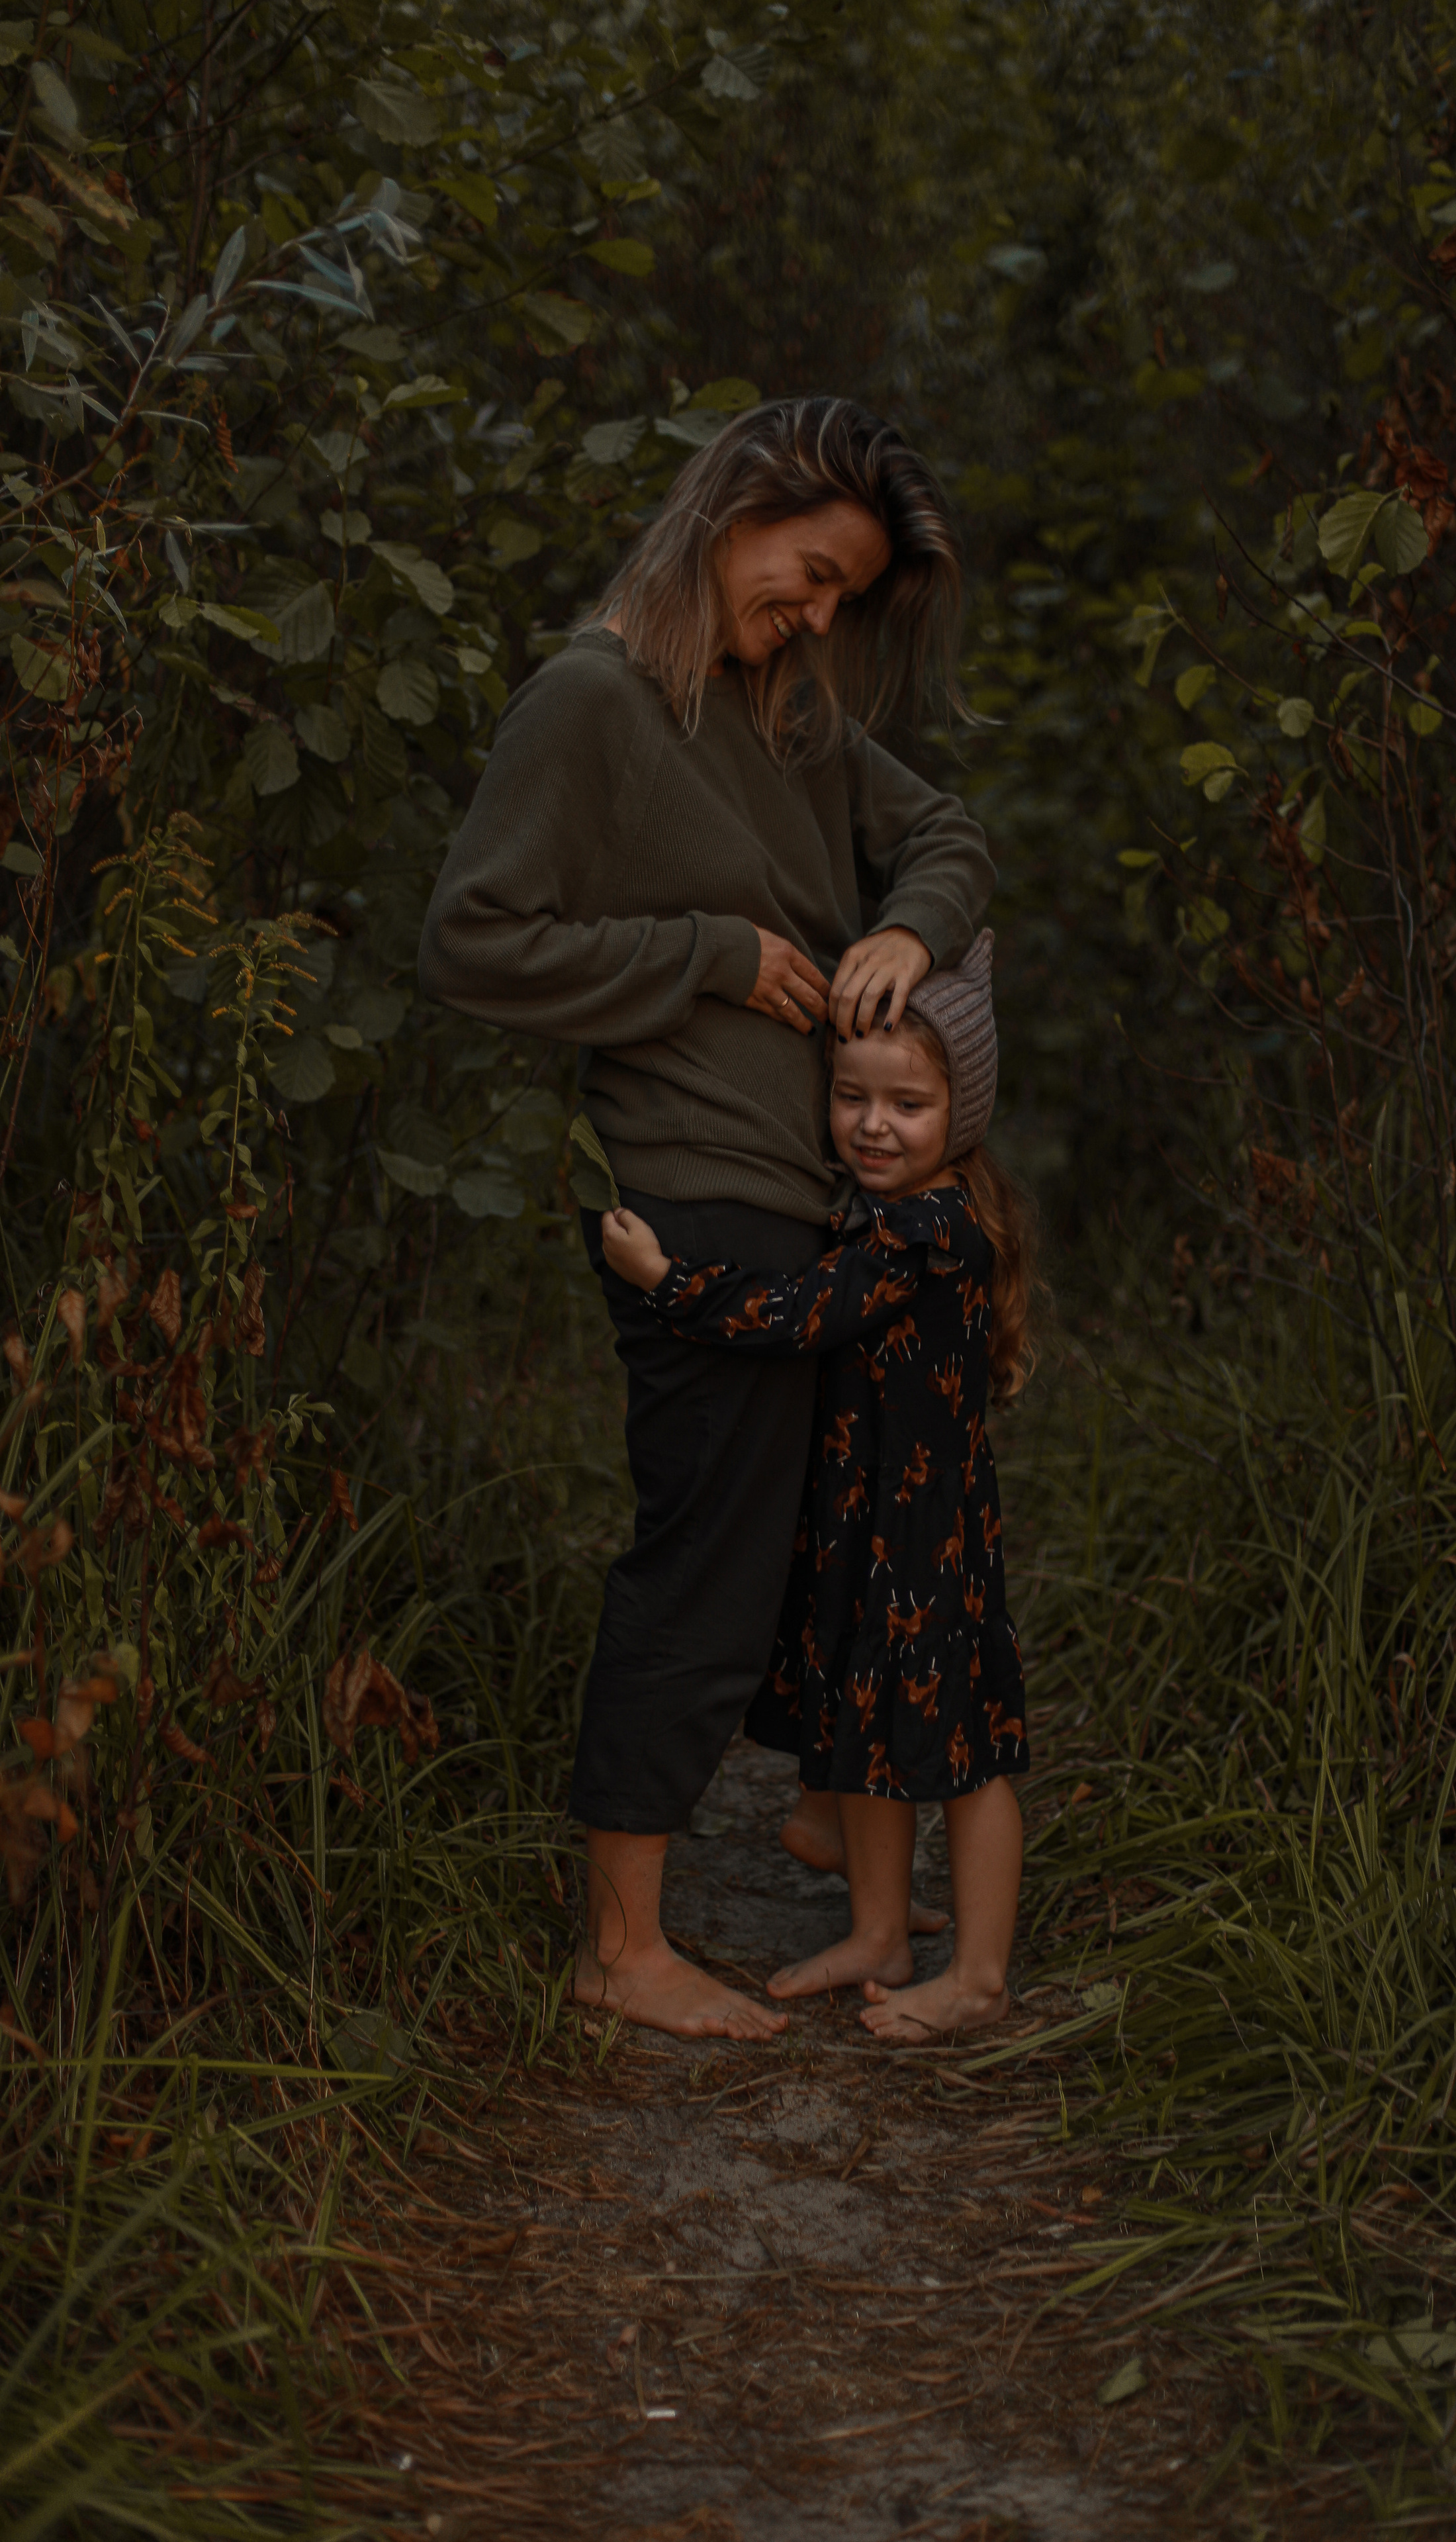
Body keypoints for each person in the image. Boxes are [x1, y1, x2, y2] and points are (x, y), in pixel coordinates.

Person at [416, 398, 995, 2039]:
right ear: (737, 509)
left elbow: (944, 833)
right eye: (809, 576)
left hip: (824, 1202)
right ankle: (622, 1944)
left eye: (842, 602)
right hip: (697, 1187)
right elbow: (472, 944)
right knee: (701, 1568)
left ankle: (824, 1806)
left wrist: (907, 930)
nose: (817, 620)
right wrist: (705, 955)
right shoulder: (590, 705)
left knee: (830, 1538)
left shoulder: (787, 708)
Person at [601, 931, 1035, 2042]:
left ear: (962, 1119)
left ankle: (980, 1976)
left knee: (966, 1754)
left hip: (926, 1535)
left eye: (909, 1107)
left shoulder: (923, 1232)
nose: (874, 1127)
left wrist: (667, 1282)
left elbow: (797, 1321)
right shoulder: (876, 1214)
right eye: (853, 1098)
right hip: (870, 1525)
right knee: (871, 1720)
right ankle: (879, 1932)